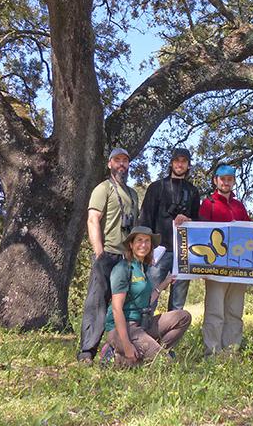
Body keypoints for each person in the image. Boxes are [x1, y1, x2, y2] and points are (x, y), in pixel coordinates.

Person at [77, 148, 140, 364]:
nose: (121, 164)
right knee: (97, 302)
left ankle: (114, 347)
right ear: (110, 163)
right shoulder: (103, 189)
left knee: (122, 305)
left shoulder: (132, 194)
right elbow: (93, 219)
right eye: (117, 160)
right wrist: (99, 252)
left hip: (126, 258)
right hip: (108, 255)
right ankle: (87, 351)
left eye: (125, 161)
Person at [101, 226, 191, 366]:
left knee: (183, 317)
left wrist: (165, 283)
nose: (143, 244)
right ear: (131, 244)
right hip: (123, 328)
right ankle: (115, 353)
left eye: (147, 241)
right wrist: (126, 345)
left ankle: (148, 352)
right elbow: (116, 309)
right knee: (165, 363)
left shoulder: (142, 268)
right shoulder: (123, 269)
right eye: (139, 240)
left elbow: (147, 299)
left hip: (142, 325)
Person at [199, 164, 251, 356]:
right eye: (223, 179)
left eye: (230, 179)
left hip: (239, 268)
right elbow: (201, 233)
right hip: (216, 268)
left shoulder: (239, 206)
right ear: (216, 181)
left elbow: (250, 232)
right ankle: (212, 352)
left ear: (233, 181)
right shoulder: (208, 204)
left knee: (235, 311)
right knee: (215, 311)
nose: (226, 182)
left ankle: (231, 352)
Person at [139, 148, 200, 311]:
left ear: (188, 166)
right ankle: (142, 334)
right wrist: (146, 250)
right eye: (177, 161)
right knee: (148, 298)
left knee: (177, 304)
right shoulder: (156, 187)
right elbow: (145, 219)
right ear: (172, 163)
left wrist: (188, 220)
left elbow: (199, 221)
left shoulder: (193, 192)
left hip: (183, 253)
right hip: (159, 251)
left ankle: (170, 336)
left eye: (184, 161)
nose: (180, 164)